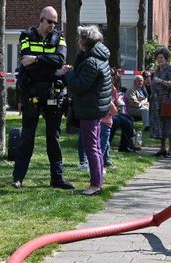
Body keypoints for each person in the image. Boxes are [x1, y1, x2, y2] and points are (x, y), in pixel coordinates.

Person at [11, 6, 74, 190]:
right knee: (27, 137)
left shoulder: (59, 38)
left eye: (55, 22)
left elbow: (60, 60)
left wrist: (37, 59)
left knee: (53, 138)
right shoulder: (26, 36)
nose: (52, 25)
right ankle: (18, 178)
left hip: (53, 92)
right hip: (32, 92)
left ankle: (57, 178)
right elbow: (25, 61)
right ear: (41, 19)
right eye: (49, 21)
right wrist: (47, 61)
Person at [63, 25, 113, 196]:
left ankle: (95, 184)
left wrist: (67, 74)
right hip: (96, 107)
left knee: (91, 147)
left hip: (90, 108)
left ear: (84, 41)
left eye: (79, 38)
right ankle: (98, 181)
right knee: (96, 146)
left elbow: (79, 85)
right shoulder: (98, 56)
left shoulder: (92, 61)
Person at [149, 47, 171, 158]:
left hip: (167, 101)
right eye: (158, 58)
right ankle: (162, 149)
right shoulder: (157, 70)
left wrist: (160, 81)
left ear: (166, 58)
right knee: (160, 124)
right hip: (156, 102)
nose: (159, 59)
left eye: (161, 57)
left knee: (169, 124)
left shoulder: (170, 69)